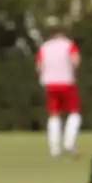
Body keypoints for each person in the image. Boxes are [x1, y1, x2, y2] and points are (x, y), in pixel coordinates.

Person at [35, 26, 82, 158]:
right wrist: (74, 72)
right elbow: (76, 60)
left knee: (53, 114)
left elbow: (38, 66)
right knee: (74, 112)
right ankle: (69, 143)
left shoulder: (44, 47)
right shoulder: (69, 45)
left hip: (49, 83)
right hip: (67, 82)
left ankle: (54, 150)